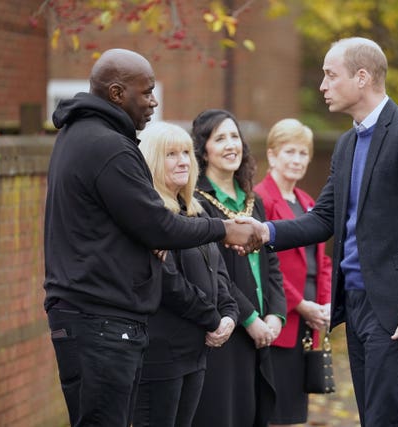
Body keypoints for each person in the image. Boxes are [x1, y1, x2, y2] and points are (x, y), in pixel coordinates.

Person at [43, 48, 262, 427]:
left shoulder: (78, 137)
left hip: (93, 316)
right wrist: (225, 228)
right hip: (100, 319)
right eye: (145, 92)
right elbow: (157, 225)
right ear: (116, 93)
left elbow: (141, 224)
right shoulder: (108, 147)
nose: (153, 101)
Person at [252, 37, 398, 426]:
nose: (322, 86)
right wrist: (264, 231)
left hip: (394, 309)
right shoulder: (346, 144)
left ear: (362, 77)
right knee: (370, 417)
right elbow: (323, 219)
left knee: (385, 418)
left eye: (329, 75)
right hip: (353, 302)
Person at [131, 122, 239, 426]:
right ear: (152, 160)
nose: (183, 161)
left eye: (187, 153)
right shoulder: (150, 216)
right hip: (162, 354)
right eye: (171, 154)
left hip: (196, 353)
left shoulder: (197, 210)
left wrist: (229, 313)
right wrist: (213, 320)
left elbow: (218, 271)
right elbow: (169, 283)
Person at [190, 109, 287, 427]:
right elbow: (214, 273)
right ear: (203, 149)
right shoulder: (197, 204)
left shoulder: (252, 201)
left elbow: (271, 261)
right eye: (220, 138)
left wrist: (275, 313)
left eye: (234, 136)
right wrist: (249, 319)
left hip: (262, 329)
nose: (231, 145)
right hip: (227, 328)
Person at [253, 118, 332, 427]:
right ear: (272, 155)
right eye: (290, 152)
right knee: (275, 412)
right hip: (280, 318)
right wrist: (301, 304)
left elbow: (322, 262)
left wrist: (325, 305)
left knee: (296, 414)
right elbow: (264, 265)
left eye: (303, 153)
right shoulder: (260, 199)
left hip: (309, 324)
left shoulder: (309, 203)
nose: (297, 160)